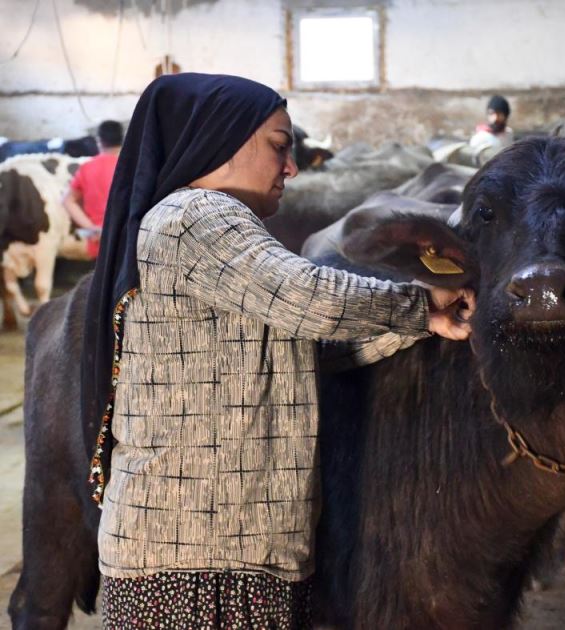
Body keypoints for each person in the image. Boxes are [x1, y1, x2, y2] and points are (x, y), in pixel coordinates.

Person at [81, 73, 475, 629]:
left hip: (226, 552)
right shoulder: (197, 217)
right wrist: (418, 300)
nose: (291, 168)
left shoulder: (206, 229)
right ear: (222, 140)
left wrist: (425, 322)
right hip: (196, 561)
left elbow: (307, 349)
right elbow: (309, 298)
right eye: (280, 147)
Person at [62, 120, 124, 259]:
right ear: (122, 140)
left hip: (98, 242)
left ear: (99, 141)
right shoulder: (131, 166)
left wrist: (91, 228)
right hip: (126, 239)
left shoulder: (87, 168)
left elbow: (67, 200)